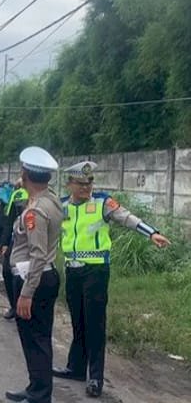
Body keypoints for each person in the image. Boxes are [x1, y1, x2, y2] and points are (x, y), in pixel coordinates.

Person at [52, 161, 171, 398]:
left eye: (89, 183)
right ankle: (75, 367)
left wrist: (152, 233)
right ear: (69, 184)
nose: (86, 188)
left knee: (94, 324)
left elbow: (127, 217)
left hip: (96, 271)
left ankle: (95, 377)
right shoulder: (62, 205)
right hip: (72, 271)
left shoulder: (102, 203)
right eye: (81, 184)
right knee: (77, 320)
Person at [5, 146, 63, 403]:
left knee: (35, 339)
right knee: (37, 337)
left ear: (26, 174)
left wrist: (26, 293)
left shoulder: (35, 211)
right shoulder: (50, 199)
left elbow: (38, 254)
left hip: (34, 279)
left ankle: (40, 395)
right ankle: (35, 387)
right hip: (44, 277)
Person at [0, 178, 29, 319]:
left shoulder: (47, 195)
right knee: (7, 271)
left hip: (36, 239)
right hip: (17, 238)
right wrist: (5, 243)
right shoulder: (17, 194)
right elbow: (9, 218)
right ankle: (14, 305)